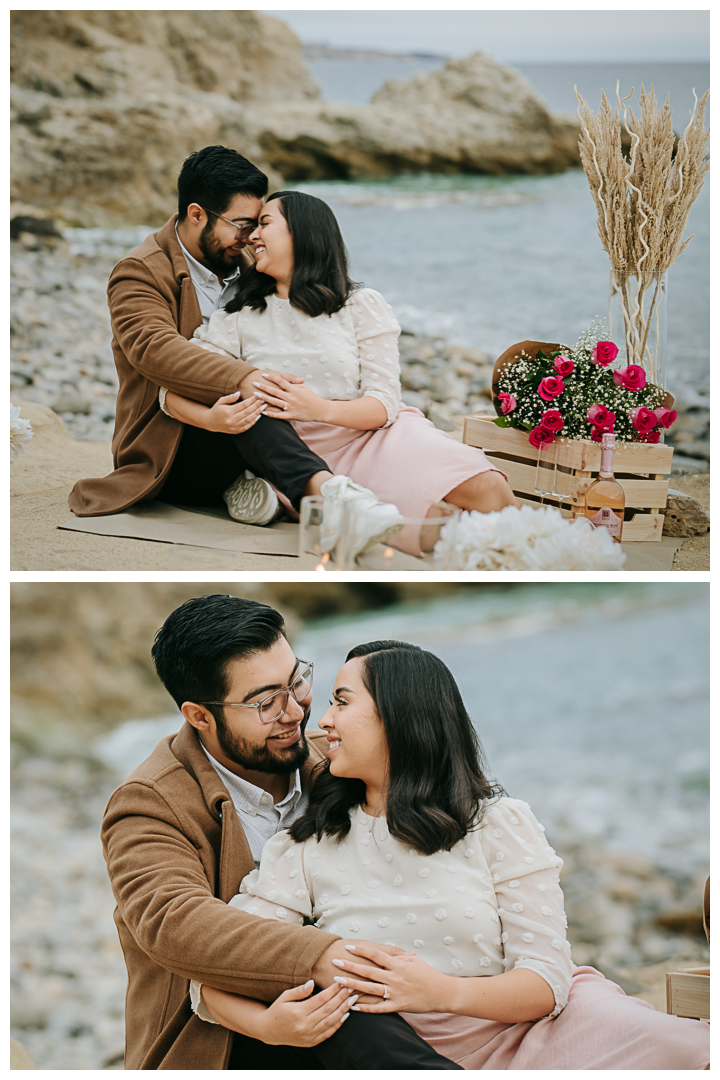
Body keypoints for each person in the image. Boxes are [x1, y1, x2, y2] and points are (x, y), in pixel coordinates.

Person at [191, 641, 710, 1070]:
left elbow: (547, 982)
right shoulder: (307, 844)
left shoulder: (498, 822)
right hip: (399, 1055)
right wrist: (267, 1027)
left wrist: (439, 991)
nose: (321, 721)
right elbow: (215, 973)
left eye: (342, 702)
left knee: (692, 1053)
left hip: (546, 1034)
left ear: (400, 718)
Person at [100, 595, 461, 1070]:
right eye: (266, 702)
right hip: (224, 1039)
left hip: (381, 1001)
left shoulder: (339, 760)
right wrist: (324, 958)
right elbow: (173, 922)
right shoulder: (148, 804)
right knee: (347, 1011)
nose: (294, 711)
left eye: (297, 682)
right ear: (200, 716)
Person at [68, 146, 407, 558]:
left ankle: (262, 488)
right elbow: (154, 349)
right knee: (253, 396)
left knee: (260, 403)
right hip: (175, 441)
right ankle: (333, 499)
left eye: (259, 224)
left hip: (262, 434)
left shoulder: (249, 261)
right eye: (243, 224)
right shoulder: (139, 272)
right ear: (197, 214)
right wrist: (244, 379)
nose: (252, 236)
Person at [159, 189, 520, 556]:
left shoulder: (361, 305)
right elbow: (169, 393)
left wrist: (320, 409)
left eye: (264, 224)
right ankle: (293, 496)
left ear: (303, 232)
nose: (251, 236)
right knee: (435, 531)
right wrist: (211, 419)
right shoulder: (236, 319)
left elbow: (383, 404)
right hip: (304, 458)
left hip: (378, 434)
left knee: (488, 489)